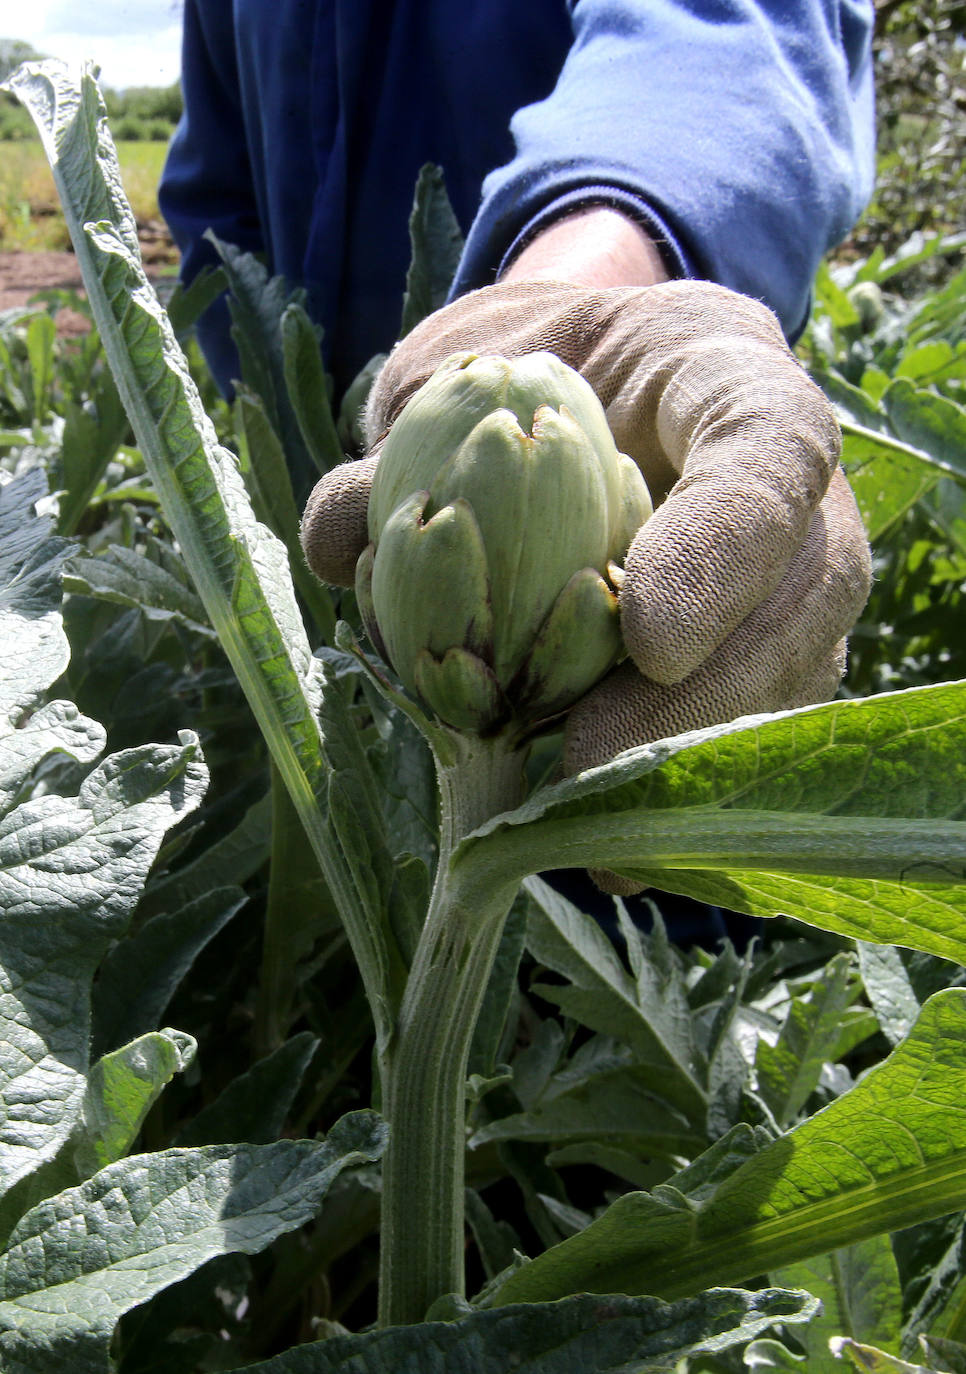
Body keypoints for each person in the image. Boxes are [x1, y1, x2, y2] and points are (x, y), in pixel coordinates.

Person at [160, 2, 877, 898]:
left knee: (652, 868)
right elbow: (214, 202)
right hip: (361, 534)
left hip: (640, 599)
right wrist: (275, 409)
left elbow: (731, 36)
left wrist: (598, 273)